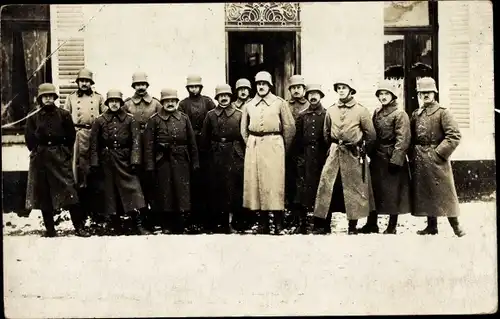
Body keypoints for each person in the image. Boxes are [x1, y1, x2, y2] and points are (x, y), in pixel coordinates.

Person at [25, 83, 90, 237]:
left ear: (54, 97)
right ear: (40, 99)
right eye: (45, 96)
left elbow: (70, 136)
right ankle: (50, 229)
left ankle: (79, 227)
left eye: (50, 96)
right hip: (40, 158)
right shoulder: (33, 117)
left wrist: (64, 153)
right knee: (44, 193)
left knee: (69, 190)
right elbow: (29, 138)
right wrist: (37, 152)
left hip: (59, 156)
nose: (48, 99)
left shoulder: (64, 114)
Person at [313, 79, 376, 235]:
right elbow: (326, 133)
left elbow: (371, 135)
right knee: (328, 186)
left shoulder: (361, 111)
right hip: (335, 152)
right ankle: (324, 225)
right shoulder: (331, 110)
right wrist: (334, 146)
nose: (341, 91)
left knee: (353, 189)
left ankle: (352, 226)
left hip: (353, 153)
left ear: (351, 90)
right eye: (339, 88)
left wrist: (361, 149)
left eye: (344, 88)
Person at [241, 71, 296, 235]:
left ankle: (278, 224)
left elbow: (290, 128)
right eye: (258, 84)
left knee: (275, 184)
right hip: (255, 145)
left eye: (264, 84)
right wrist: (252, 143)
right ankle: (263, 222)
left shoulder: (279, 103)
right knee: (256, 185)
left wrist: (280, 147)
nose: (261, 87)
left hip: (274, 146)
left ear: (270, 86)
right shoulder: (249, 105)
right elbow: (243, 130)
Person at [409, 77, 465, 237]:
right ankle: (431, 226)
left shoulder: (443, 112)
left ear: (434, 93)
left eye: (428, 92)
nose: (425, 95)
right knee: (426, 191)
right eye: (422, 93)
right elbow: (412, 136)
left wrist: (439, 153)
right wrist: (413, 154)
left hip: (437, 159)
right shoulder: (416, 114)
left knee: (445, 193)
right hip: (420, 158)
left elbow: (454, 135)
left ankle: (456, 227)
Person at [89, 89, 148, 235]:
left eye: (117, 101)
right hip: (107, 160)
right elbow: (94, 143)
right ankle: (113, 224)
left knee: (133, 189)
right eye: (111, 101)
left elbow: (136, 141)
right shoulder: (100, 120)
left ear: (121, 103)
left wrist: (135, 160)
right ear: (107, 103)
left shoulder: (130, 119)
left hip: (125, 159)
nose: (114, 104)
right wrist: (95, 162)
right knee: (109, 191)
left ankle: (138, 223)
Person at [143, 88, 200, 234]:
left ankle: (180, 224)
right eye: (167, 101)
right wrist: (150, 165)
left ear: (176, 102)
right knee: (165, 192)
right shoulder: (154, 120)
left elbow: (192, 142)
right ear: (162, 103)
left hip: (181, 159)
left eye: (173, 101)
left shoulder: (184, 118)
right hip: (163, 160)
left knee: (182, 192)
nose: (170, 104)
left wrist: (195, 162)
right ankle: (166, 224)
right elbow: (148, 145)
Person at [360, 80, 411, 234]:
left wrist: (396, 160)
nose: (383, 97)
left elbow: (403, 139)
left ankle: (392, 225)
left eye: (386, 94)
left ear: (393, 96)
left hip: (391, 156)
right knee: (373, 191)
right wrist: (367, 151)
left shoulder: (400, 114)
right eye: (380, 94)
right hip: (377, 157)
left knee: (393, 192)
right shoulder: (377, 112)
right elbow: (372, 134)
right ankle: (372, 223)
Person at [63, 68, 105, 227]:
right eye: (82, 81)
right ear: (78, 82)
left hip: (94, 136)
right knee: (79, 173)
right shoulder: (71, 98)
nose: (84, 83)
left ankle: (97, 215)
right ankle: (80, 214)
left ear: (91, 83)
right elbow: (66, 119)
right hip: (78, 135)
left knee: (94, 172)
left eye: (87, 81)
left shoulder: (99, 98)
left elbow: (104, 117)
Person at [201, 84, 245, 233]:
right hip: (216, 155)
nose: (224, 98)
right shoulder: (211, 115)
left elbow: (244, 136)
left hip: (234, 153)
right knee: (216, 188)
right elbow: (204, 139)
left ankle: (233, 222)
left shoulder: (239, 114)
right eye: (221, 96)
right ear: (217, 98)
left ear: (231, 97)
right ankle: (217, 222)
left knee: (233, 188)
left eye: (226, 95)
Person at [123, 71, 162, 231]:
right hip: (133, 149)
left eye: (143, 84)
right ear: (133, 86)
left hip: (151, 149)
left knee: (152, 185)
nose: (140, 87)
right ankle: (136, 220)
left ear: (147, 85)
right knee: (135, 186)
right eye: (137, 84)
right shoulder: (127, 104)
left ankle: (152, 221)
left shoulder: (156, 104)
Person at [178, 75, 216, 233]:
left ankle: (207, 219)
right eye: (191, 87)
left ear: (201, 88)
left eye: (196, 87)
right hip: (189, 146)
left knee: (206, 182)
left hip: (206, 147)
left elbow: (214, 119)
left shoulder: (207, 102)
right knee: (191, 182)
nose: (194, 89)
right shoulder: (183, 104)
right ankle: (191, 219)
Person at [292, 84, 328, 234]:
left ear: (320, 96)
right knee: (302, 189)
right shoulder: (302, 115)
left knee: (323, 188)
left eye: (316, 94)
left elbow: (328, 136)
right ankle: (303, 223)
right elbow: (297, 139)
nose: (313, 97)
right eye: (310, 94)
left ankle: (323, 224)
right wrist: (298, 157)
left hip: (320, 156)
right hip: (305, 156)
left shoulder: (327, 114)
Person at [285, 75, 310, 229]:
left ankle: (303, 216)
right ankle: (291, 214)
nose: (296, 90)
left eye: (299, 88)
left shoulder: (309, 105)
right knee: (289, 180)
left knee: (302, 181)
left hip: (303, 150)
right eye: (293, 88)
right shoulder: (284, 105)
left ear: (304, 90)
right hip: (287, 148)